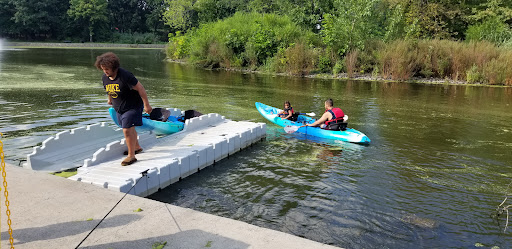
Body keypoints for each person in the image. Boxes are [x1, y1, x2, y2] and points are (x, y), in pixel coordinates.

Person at [95, 52, 153, 166]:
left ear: (114, 67)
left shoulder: (125, 76)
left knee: (126, 129)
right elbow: (109, 89)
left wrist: (147, 105)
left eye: (107, 69)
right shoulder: (105, 77)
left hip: (133, 106)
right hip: (118, 107)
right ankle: (136, 147)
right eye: (103, 69)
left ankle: (131, 156)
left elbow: (140, 88)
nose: (105, 71)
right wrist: (109, 99)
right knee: (129, 128)